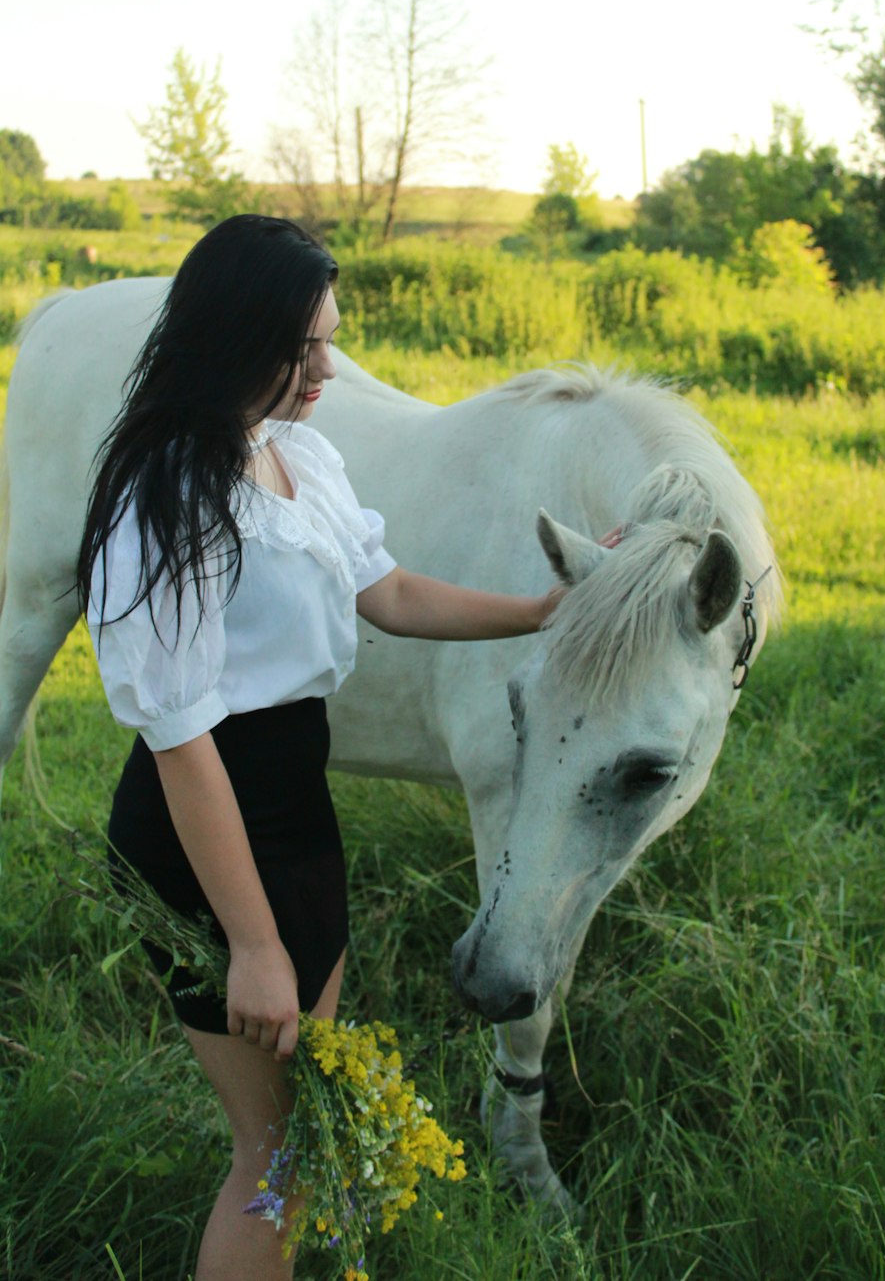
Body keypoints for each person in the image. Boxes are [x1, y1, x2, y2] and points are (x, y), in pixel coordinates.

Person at [76, 214, 574, 1281]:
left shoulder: (291, 450)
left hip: (295, 807)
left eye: (329, 341)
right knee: (276, 1147)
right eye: (297, 350)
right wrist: (254, 946)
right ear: (229, 338)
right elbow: (179, 737)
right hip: (203, 821)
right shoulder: (169, 495)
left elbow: (388, 592)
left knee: (307, 1124)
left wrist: (542, 609)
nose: (324, 371)